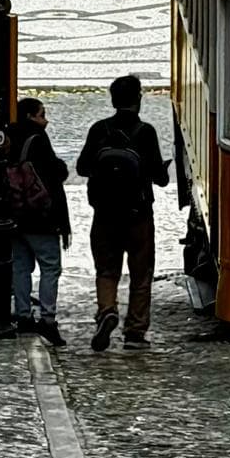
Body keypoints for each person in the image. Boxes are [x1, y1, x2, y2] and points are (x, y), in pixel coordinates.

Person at [77, 74, 170, 352]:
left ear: (113, 99)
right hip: (138, 214)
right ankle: (135, 333)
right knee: (141, 274)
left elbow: (82, 168)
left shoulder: (99, 129)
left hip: (104, 214)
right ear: (138, 99)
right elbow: (160, 178)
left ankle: (107, 310)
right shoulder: (145, 132)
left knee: (106, 270)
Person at [7, 97, 71, 346]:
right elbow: (54, 172)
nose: (46, 120)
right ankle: (47, 318)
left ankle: (23, 315)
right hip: (40, 215)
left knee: (21, 266)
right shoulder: (38, 139)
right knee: (50, 266)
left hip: (16, 213)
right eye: (42, 114)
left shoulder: (9, 136)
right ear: (30, 116)